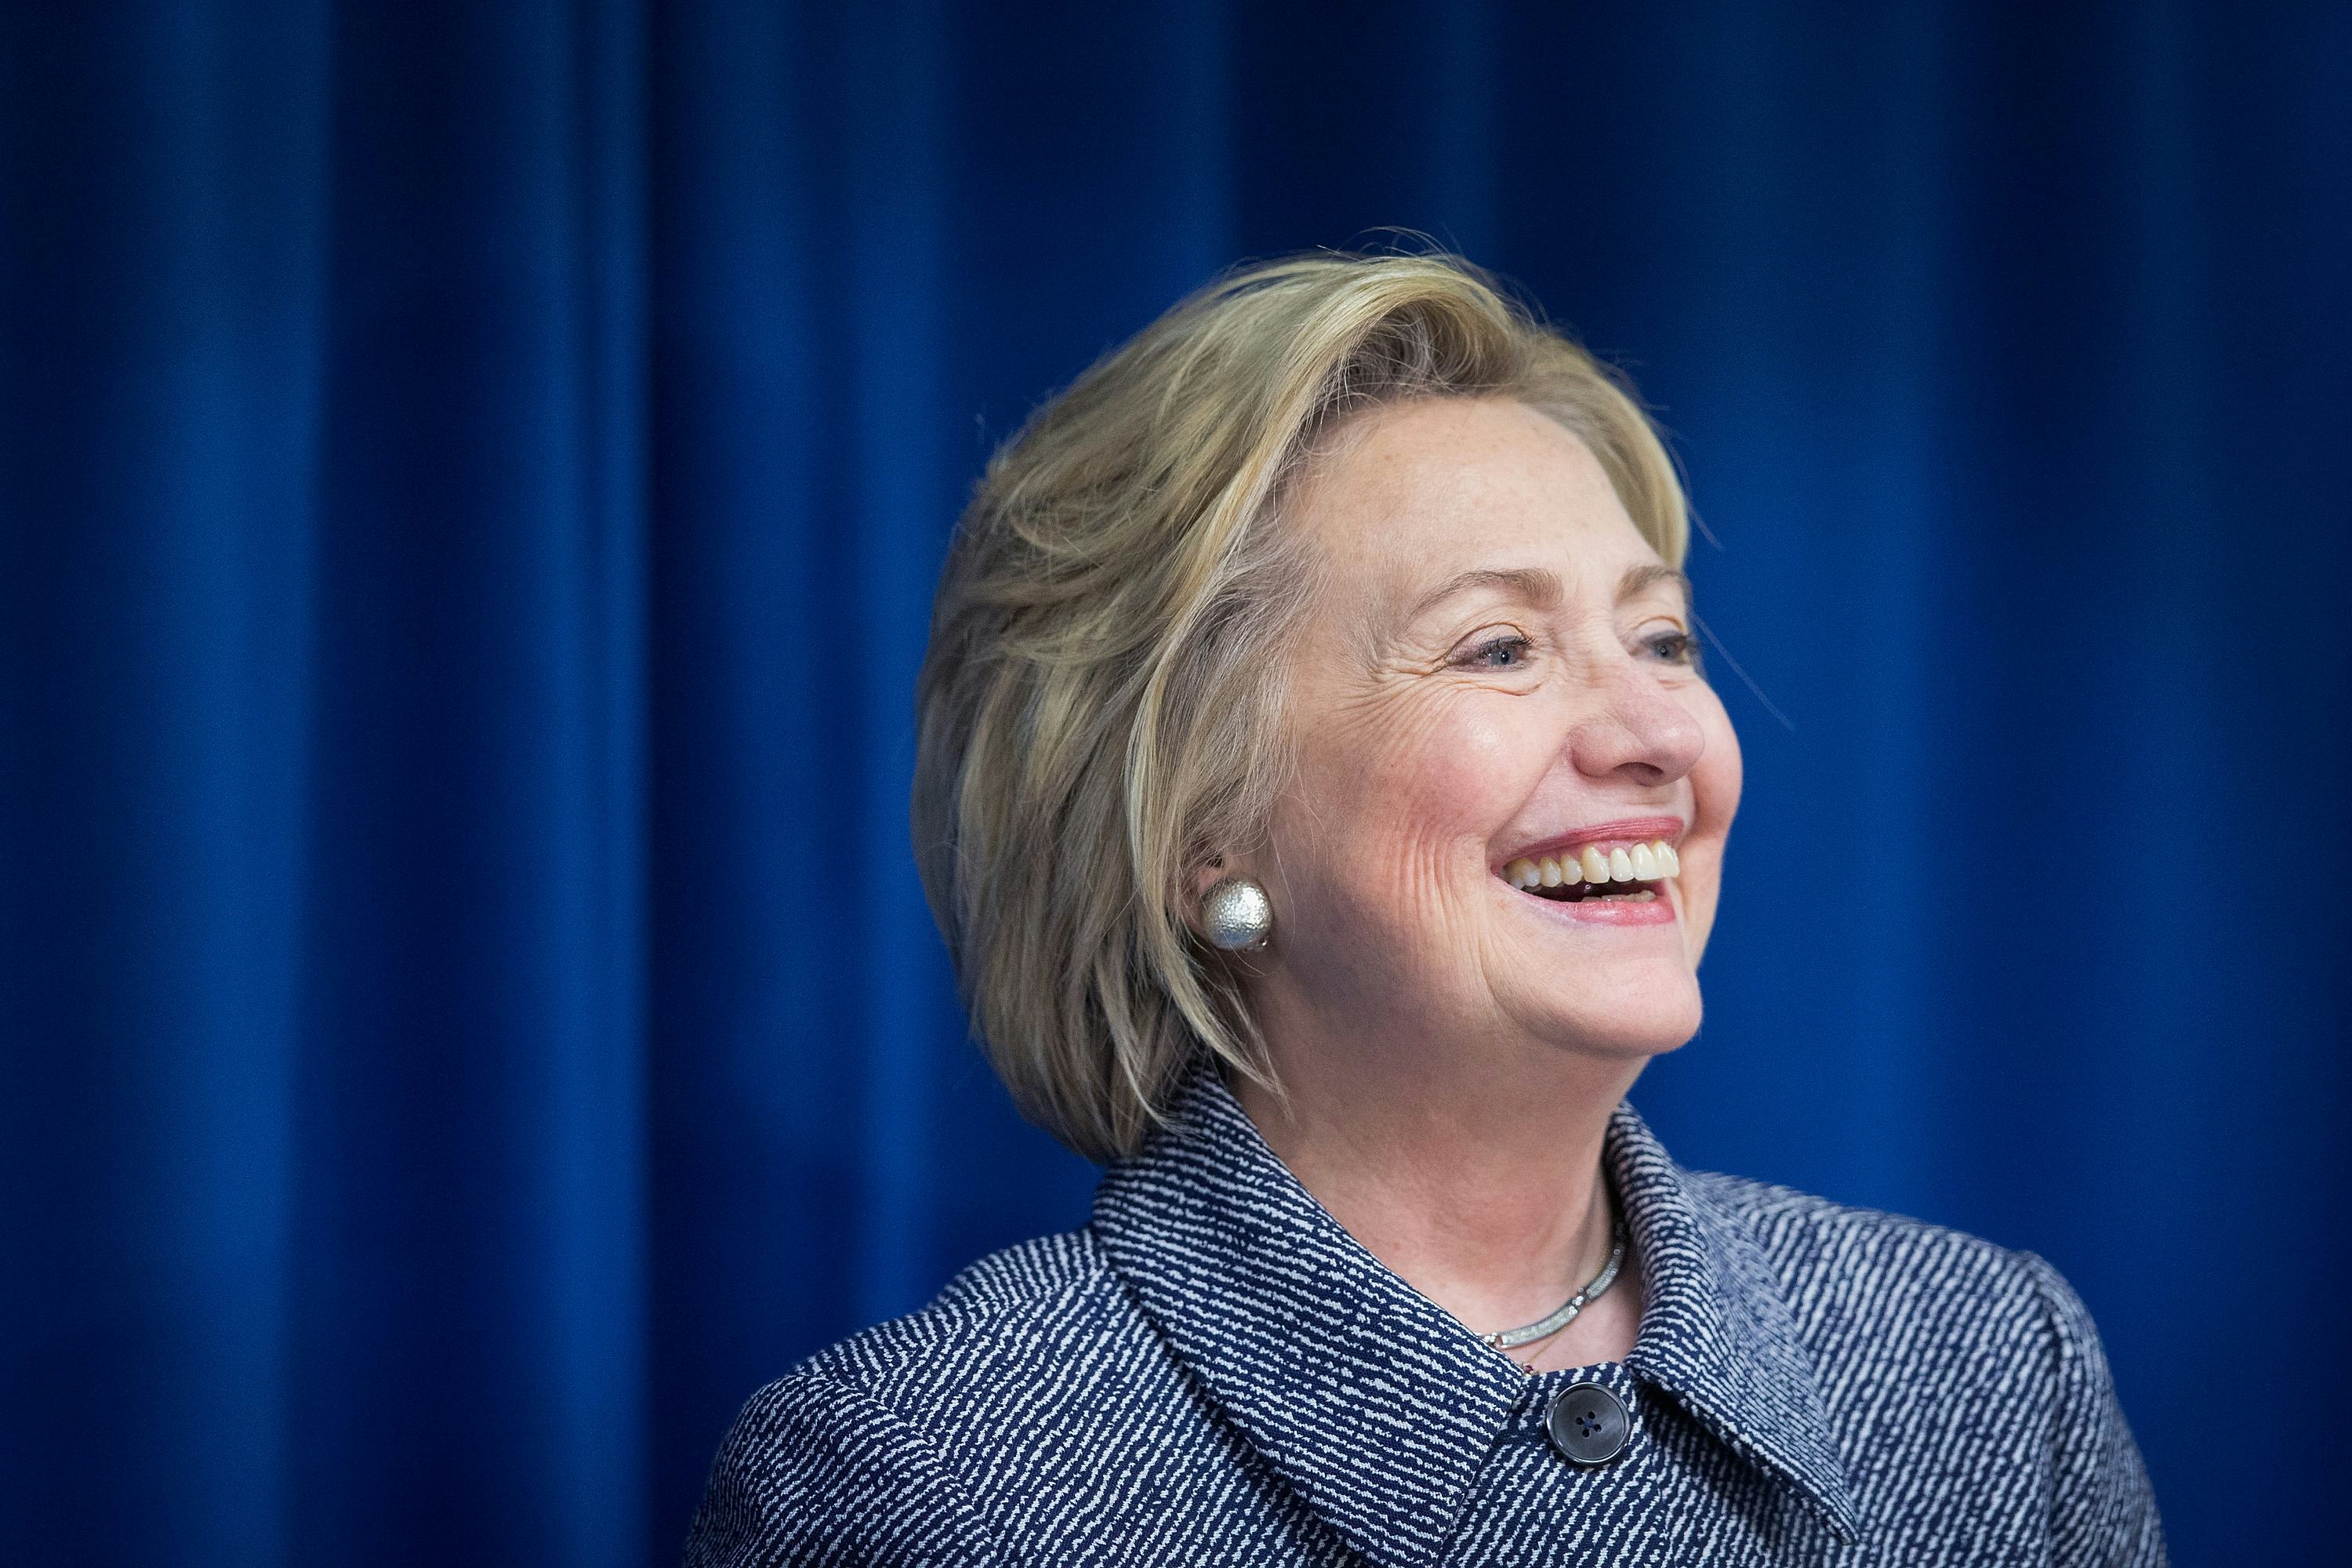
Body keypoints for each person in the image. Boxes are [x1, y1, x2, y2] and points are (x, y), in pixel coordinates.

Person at [683, 251, 2168, 1565]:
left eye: (1661, 637)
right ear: (1195, 829)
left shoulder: (1994, 1371)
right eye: (1499, 648)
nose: (1660, 733)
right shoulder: (913, 1488)